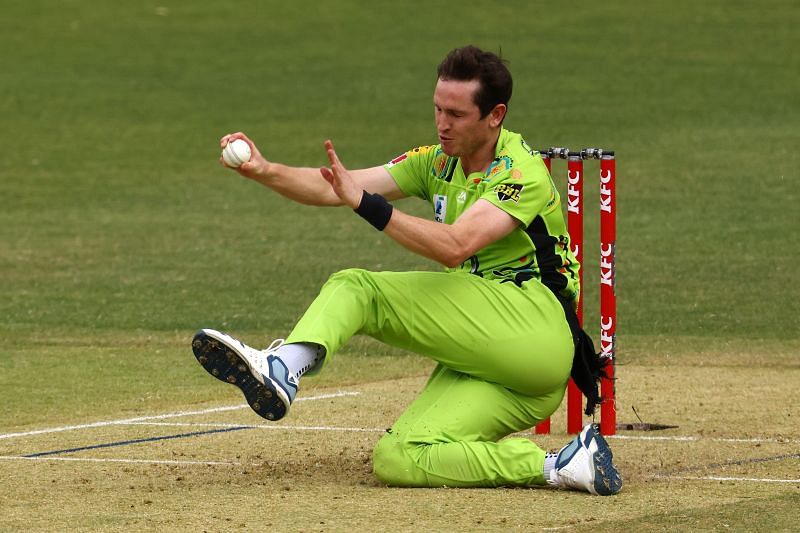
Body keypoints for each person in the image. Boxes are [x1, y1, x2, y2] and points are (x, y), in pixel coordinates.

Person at [192, 45, 622, 495]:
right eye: (437, 109)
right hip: (515, 375)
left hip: (536, 328)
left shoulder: (522, 172)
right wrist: (265, 170)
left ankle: (284, 368)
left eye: (456, 113)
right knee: (400, 456)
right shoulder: (436, 161)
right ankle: (564, 464)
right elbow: (334, 189)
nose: (442, 123)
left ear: (495, 115)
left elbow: (456, 246)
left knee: (358, 288)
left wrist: (368, 206)